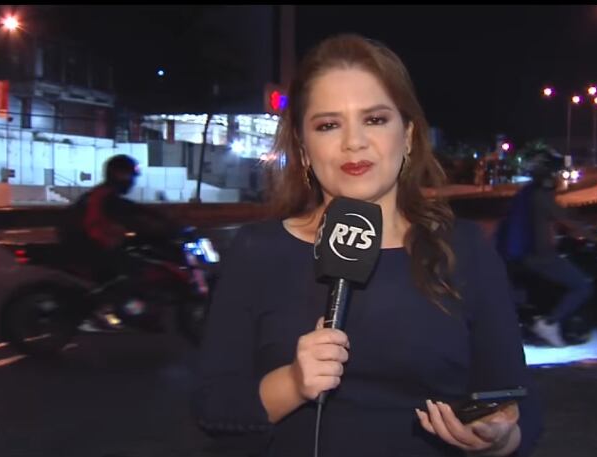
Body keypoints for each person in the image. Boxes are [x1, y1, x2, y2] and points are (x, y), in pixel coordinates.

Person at [193, 34, 542, 457]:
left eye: (375, 119)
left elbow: (517, 402)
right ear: (304, 147)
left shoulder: (466, 249)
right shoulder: (257, 252)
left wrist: (499, 438)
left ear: (408, 135)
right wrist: (293, 383)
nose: (353, 142)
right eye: (328, 125)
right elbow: (213, 407)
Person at [58, 154, 171, 332]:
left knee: (129, 261)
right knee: (135, 269)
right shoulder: (106, 197)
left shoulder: (104, 194)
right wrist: (158, 227)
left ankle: (117, 309)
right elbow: (131, 215)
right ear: (118, 174)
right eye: (129, 176)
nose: (132, 181)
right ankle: (123, 313)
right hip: (86, 245)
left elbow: (132, 210)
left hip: (84, 242)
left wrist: (156, 218)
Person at [495, 146, 594, 347]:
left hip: (528, 254)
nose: (557, 176)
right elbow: (565, 220)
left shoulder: (528, 193)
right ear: (546, 173)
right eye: (555, 172)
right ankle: (549, 322)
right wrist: (596, 236)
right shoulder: (541, 196)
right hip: (540, 257)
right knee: (583, 286)